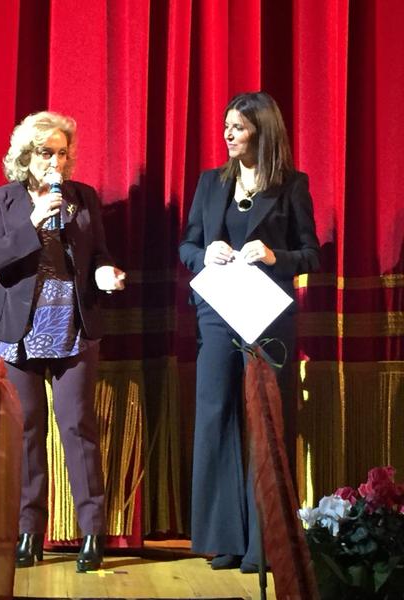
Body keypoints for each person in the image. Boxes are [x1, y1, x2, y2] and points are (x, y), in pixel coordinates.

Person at [0, 111, 125, 573]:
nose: (56, 162)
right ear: (26, 156)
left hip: (72, 327)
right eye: (47, 153)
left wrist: (105, 270)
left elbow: (97, 250)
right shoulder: (1, 199)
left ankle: (92, 533)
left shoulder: (83, 198)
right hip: (20, 331)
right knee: (27, 430)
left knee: (78, 427)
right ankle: (28, 532)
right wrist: (36, 220)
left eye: (63, 153)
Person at [179, 91, 319, 573]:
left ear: (262, 130)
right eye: (226, 127)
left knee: (265, 416)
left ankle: (266, 544)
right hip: (218, 311)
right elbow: (188, 244)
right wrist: (205, 254)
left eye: (237, 127)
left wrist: (276, 257)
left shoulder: (291, 185)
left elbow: (311, 254)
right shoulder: (211, 183)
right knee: (216, 413)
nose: (228, 135)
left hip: (266, 314)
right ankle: (226, 540)